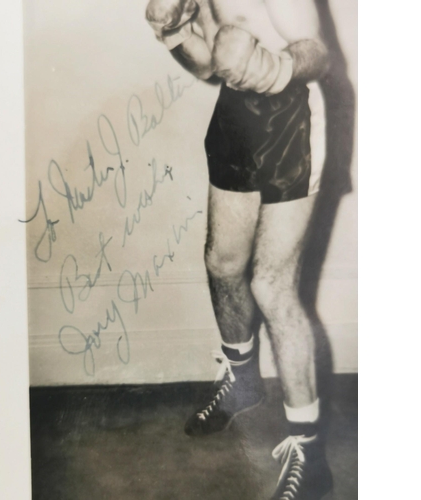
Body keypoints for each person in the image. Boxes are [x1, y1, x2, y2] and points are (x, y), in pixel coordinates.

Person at [146, 0, 332, 498]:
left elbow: (319, 54)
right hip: (235, 114)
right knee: (223, 263)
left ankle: (309, 453)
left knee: (272, 287)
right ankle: (243, 381)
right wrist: (172, 33)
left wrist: (275, 68)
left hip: (293, 118)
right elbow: (208, 63)